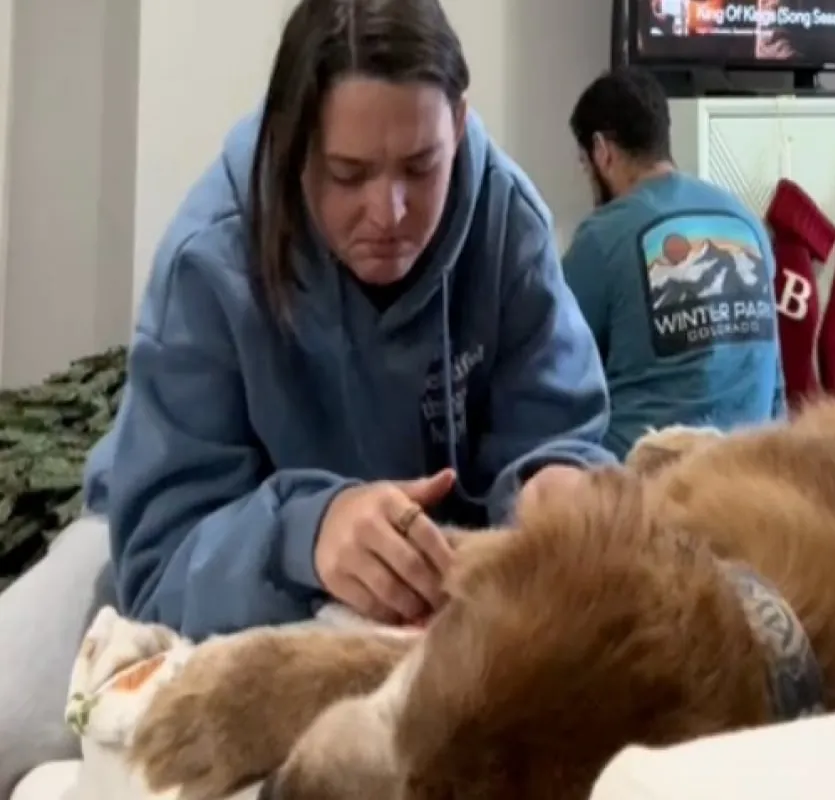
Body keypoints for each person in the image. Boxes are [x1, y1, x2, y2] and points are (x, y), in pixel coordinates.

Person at [0, 0, 613, 792]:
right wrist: (310, 531)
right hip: (191, 534)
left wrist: (554, 485)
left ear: (459, 125)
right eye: (349, 175)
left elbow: (555, 437)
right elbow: (160, 552)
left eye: (421, 168)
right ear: (294, 149)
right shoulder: (210, 252)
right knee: (11, 712)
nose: (388, 215)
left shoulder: (509, 222)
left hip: (426, 569)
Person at [562, 67, 784, 458]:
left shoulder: (602, 237)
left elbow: (555, 368)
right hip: (752, 474)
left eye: (585, 164)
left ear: (602, 150)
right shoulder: (747, 223)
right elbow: (777, 389)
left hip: (646, 484)